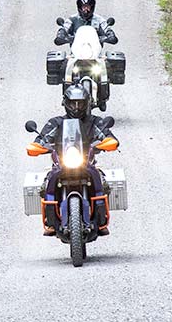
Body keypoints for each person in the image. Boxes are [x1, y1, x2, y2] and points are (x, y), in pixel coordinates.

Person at [31, 82, 116, 236]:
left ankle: (101, 219)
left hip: (86, 163)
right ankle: (50, 222)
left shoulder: (95, 122)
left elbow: (108, 137)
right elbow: (41, 139)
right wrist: (38, 145)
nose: (76, 107)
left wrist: (108, 142)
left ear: (87, 103)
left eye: (80, 103)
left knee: (103, 183)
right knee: (44, 186)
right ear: (66, 103)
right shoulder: (56, 122)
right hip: (61, 163)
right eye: (73, 103)